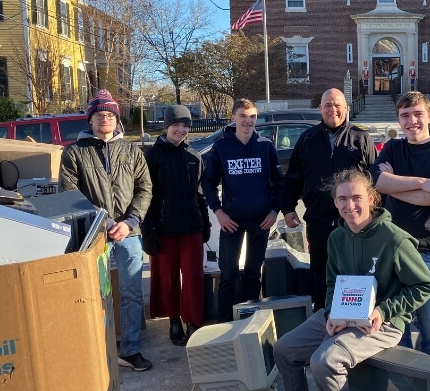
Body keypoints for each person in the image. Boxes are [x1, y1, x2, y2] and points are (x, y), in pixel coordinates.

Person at [274, 169, 430, 391]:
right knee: (284, 349)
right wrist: (330, 315)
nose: (350, 205)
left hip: (384, 322)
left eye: (357, 197)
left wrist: (383, 311)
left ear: (372, 198)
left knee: (324, 361)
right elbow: (332, 283)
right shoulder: (336, 238)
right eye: (343, 199)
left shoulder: (394, 239)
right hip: (344, 314)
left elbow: (424, 285)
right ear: (335, 202)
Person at [60, 89, 153, 371]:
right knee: (90, 293)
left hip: (129, 233)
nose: (105, 119)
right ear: (90, 120)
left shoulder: (132, 151)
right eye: (100, 115)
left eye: (110, 115)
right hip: (92, 234)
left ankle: (130, 350)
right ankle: (93, 349)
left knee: (132, 292)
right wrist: (104, 221)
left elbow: (144, 188)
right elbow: (68, 192)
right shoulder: (74, 152)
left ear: (116, 119)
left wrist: (130, 221)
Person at [370, 91, 430, 360]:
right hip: (393, 251)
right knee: (397, 331)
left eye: (418, 114)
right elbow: (377, 182)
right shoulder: (393, 147)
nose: (412, 121)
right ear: (399, 120)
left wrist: (393, 184)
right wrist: (423, 182)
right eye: (405, 116)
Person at [281, 88, 377, 312]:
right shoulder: (307, 139)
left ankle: (357, 316)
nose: (332, 109)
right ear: (320, 109)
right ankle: (324, 317)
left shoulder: (361, 138)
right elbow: (294, 176)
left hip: (354, 221)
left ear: (346, 108)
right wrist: (287, 207)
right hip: (318, 219)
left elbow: (375, 179)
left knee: (356, 270)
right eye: (327, 105)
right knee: (321, 271)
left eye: (337, 105)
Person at [200, 98, 283, 322]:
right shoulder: (221, 147)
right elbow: (208, 182)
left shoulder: (265, 146)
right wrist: (218, 211)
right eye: (243, 116)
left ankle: (249, 321)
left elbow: (279, 182)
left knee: (253, 273)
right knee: (227, 275)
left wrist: (275, 211)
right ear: (233, 118)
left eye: (253, 116)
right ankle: (224, 323)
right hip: (231, 221)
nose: (248, 121)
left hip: (261, 221)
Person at [141, 105, 211, 346]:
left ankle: (193, 321)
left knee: (193, 277)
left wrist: (206, 222)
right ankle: (174, 320)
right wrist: (147, 228)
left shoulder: (194, 155)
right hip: (164, 228)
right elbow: (146, 194)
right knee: (168, 277)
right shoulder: (153, 155)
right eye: (176, 125)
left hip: (191, 227)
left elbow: (200, 193)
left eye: (185, 126)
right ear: (167, 126)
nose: (181, 130)